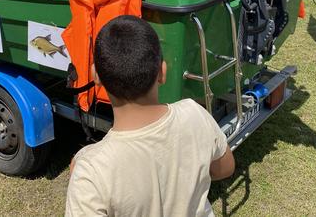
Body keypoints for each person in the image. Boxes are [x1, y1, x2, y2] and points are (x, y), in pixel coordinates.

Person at [65, 15, 235, 216]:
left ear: (96, 77)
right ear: (162, 72)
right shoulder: (195, 114)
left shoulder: (91, 170)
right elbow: (225, 168)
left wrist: (84, 160)